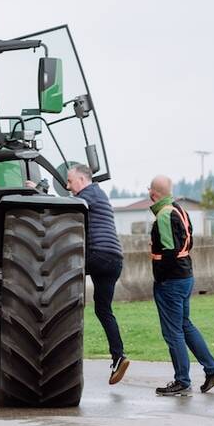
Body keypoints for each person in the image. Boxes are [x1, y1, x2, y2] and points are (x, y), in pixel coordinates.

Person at [148, 175, 214, 396]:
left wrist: (161, 278)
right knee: (185, 325)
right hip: (186, 276)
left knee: (173, 333)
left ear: (153, 193)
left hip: (170, 281)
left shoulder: (163, 215)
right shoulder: (180, 210)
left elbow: (170, 252)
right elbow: (186, 243)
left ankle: (182, 380)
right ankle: (212, 370)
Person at [66, 163, 129, 384]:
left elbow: (66, 206)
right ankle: (118, 356)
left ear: (82, 180)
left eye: (70, 181)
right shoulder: (99, 195)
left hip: (99, 257)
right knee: (103, 309)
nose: (68, 186)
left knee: (61, 271)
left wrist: (38, 191)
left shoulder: (89, 193)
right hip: (115, 261)